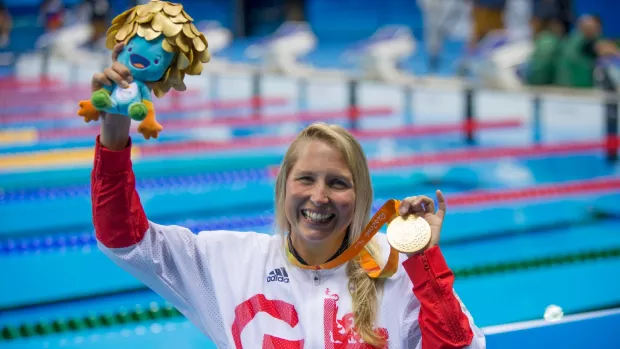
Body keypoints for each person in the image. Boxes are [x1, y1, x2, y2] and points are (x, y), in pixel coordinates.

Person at [90, 43, 486, 348]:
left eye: (337, 183)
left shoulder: (396, 269)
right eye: (306, 179)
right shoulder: (229, 261)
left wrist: (424, 261)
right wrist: (115, 130)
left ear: (360, 195)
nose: (319, 197)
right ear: (283, 188)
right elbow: (126, 240)